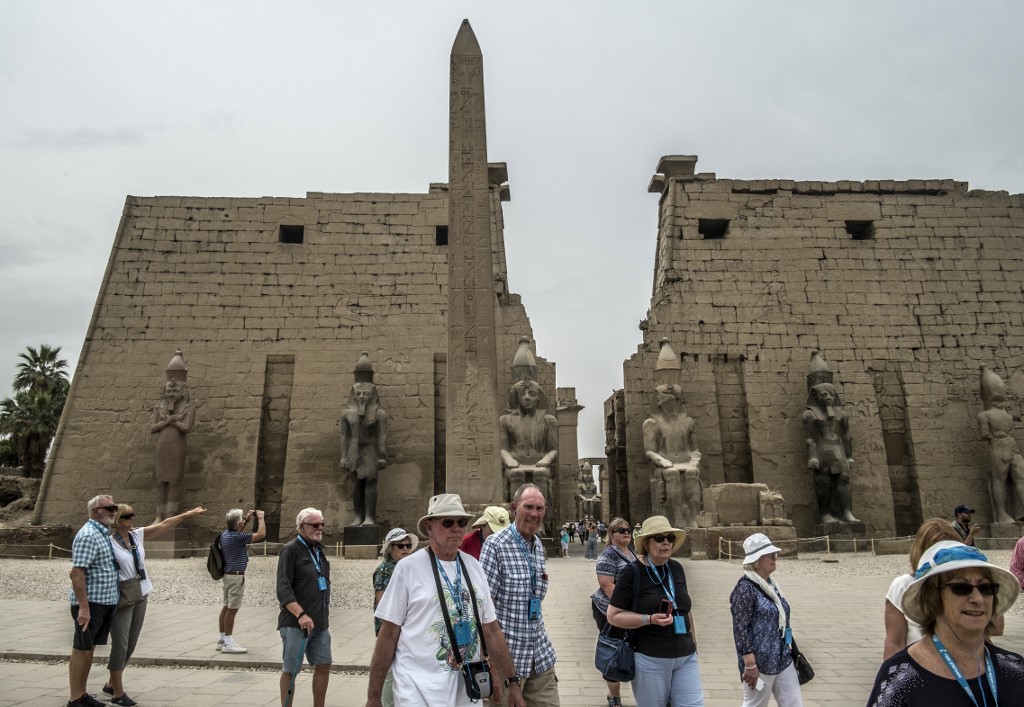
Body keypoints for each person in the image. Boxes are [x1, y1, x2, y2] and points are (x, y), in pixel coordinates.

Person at [367, 493, 523, 707]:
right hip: (416, 690)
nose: (457, 528)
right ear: (429, 527)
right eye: (448, 522)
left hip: (466, 689)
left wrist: (511, 681)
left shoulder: (474, 567)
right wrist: (373, 696)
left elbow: (491, 630)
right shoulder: (407, 569)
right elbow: (388, 635)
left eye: (462, 522)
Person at [867, 540, 1024, 705]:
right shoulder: (901, 678)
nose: (978, 599)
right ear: (932, 598)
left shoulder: (1015, 669)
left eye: (986, 588)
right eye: (961, 588)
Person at [102, 503, 206, 706]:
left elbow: (165, 524)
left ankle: (110, 683)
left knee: (131, 644)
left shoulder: (136, 535)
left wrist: (188, 514)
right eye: (128, 515)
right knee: (120, 646)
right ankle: (118, 693)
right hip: (122, 595)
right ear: (118, 520)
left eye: (133, 514)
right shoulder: (108, 543)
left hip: (141, 592)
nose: (133, 518)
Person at [607, 515, 703, 707]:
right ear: (646, 543)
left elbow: (684, 608)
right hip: (651, 658)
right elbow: (613, 615)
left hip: (685, 657)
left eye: (670, 538)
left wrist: (693, 643)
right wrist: (649, 619)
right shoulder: (632, 572)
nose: (666, 542)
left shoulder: (676, 568)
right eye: (659, 538)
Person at [480, 483, 560, 705]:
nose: (534, 514)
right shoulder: (495, 545)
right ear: (514, 508)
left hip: (540, 655)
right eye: (528, 507)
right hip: (508, 660)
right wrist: (491, 666)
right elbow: (483, 611)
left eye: (540, 508)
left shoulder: (537, 546)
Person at [729, 533, 802, 707]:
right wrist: (749, 664)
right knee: (755, 705)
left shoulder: (771, 584)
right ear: (757, 560)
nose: (775, 557)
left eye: (774, 554)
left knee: (794, 703)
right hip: (759, 662)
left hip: (782, 657)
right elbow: (740, 628)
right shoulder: (744, 588)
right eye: (770, 555)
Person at [67, 495, 119, 707]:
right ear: (96, 511)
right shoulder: (88, 535)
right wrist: (84, 608)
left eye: (114, 507)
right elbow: (77, 573)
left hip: (103, 602)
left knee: (88, 649)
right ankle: (76, 698)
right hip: (92, 604)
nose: (114, 511)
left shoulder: (102, 533)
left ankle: (81, 694)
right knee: (82, 649)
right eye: (110, 508)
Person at [277, 507, 332, 707]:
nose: (320, 528)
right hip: (295, 623)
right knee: (291, 670)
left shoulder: (319, 550)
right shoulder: (291, 550)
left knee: (324, 664)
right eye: (315, 525)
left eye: (322, 524)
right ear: (301, 527)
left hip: (319, 622)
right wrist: (300, 614)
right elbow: (283, 589)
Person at [882, 519, 960, 660]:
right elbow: (894, 643)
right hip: (920, 668)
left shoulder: (968, 587)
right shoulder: (903, 585)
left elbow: (996, 628)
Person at [591, 517, 637, 707]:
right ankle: (614, 695)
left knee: (629, 649)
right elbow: (607, 585)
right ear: (611, 534)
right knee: (613, 649)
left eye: (628, 529)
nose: (626, 532)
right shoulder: (608, 555)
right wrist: (624, 609)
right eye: (621, 530)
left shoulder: (631, 553)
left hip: (629, 611)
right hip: (610, 609)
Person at [339, 352, 388, 526]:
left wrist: (382, 456)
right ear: (353, 396)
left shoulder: (379, 414)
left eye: (365, 394)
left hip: (370, 449)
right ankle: (358, 516)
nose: (361, 397)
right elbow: (344, 436)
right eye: (358, 394)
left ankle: (369, 517)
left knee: (370, 483)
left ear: (372, 396)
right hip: (354, 450)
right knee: (357, 485)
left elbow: (382, 437)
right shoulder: (347, 414)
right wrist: (344, 456)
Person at [373, 527, 418, 707]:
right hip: (391, 627)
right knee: (390, 671)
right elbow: (382, 601)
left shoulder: (405, 567)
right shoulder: (385, 569)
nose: (406, 549)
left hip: (404, 625)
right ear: (391, 548)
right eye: (401, 546)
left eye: (408, 545)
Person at [217, 507, 265, 653]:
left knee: (226, 607)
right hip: (236, 577)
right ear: (237, 524)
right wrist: (261, 518)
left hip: (228, 576)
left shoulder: (225, 535)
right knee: (232, 610)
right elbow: (261, 534)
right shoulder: (238, 538)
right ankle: (229, 644)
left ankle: (222, 639)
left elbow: (237, 530)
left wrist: (247, 519)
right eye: (241, 519)